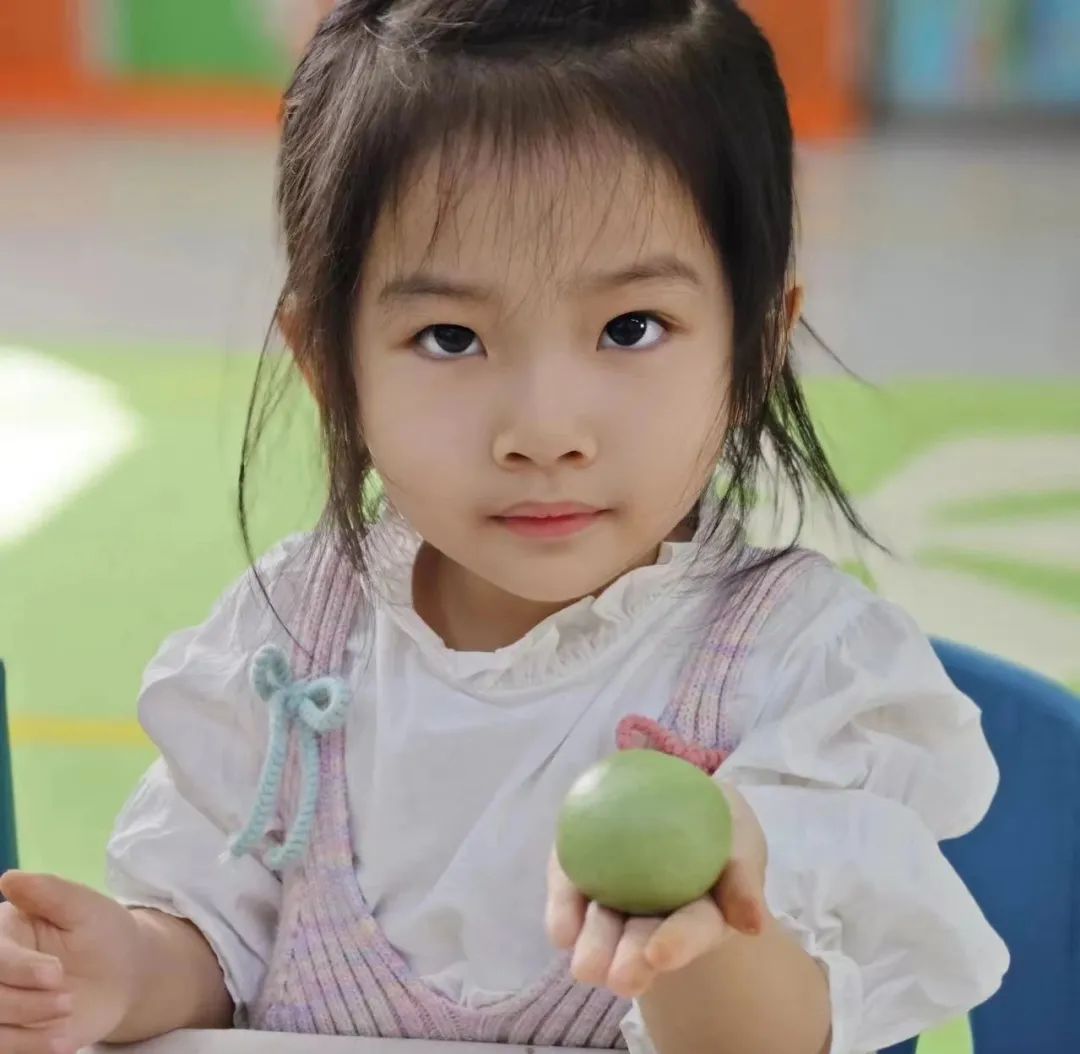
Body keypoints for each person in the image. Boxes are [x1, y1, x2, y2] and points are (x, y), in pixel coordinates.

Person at [0, 2, 1008, 1053]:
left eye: (631, 328)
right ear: (329, 366)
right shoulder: (288, 646)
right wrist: (118, 971)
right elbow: (211, 953)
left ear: (754, 351)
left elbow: (769, 1041)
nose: (543, 431)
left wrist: (698, 923)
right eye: (450, 337)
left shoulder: (805, 675)